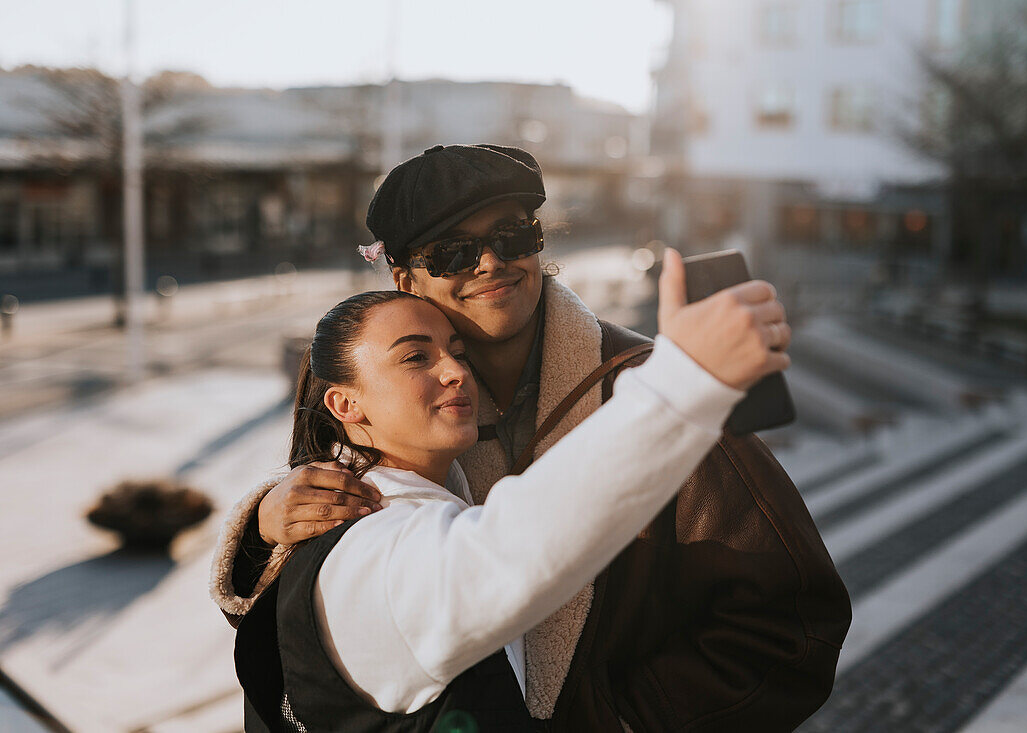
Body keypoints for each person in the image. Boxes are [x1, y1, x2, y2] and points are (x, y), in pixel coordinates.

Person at [212, 144, 852, 732]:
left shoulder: (651, 391)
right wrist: (264, 526)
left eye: (512, 234)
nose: (490, 262)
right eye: (452, 252)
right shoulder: (416, 420)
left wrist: (617, 723)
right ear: (405, 279)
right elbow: (329, 611)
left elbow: (795, 624)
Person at [233, 254, 783, 731]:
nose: (454, 371)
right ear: (345, 406)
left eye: (457, 350)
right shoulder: (371, 550)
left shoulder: (403, 503)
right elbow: (508, 550)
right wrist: (686, 383)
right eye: (415, 357)